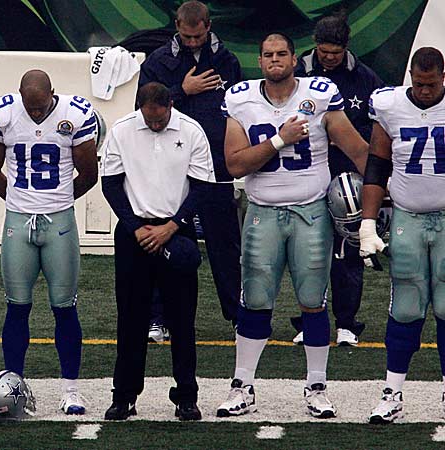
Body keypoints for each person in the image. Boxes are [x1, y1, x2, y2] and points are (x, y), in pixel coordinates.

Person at [216, 32, 368, 419]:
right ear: (260, 61)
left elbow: (358, 150)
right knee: (255, 301)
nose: (275, 60)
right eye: (268, 54)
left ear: (294, 59)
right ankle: (242, 385)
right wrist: (279, 141)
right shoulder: (240, 99)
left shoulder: (320, 96)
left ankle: (317, 387)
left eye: (281, 53)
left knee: (313, 302)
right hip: (262, 211)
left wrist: (381, 201)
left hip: (310, 212)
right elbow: (234, 164)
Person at [0, 70, 98, 415]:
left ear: (53, 93)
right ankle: (14, 386)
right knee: (17, 306)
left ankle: (71, 390)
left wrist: (57, 201)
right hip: (18, 221)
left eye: (41, 106)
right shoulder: (4, 112)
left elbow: (89, 174)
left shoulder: (75, 114)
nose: (35, 113)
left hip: (59, 221)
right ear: (19, 96)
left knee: (64, 307)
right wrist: (19, 201)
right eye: (29, 107)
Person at [101, 82, 214, 421]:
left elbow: (202, 186)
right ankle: (124, 396)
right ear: (140, 108)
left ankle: (186, 396)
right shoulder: (122, 130)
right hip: (134, 234)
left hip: (176, 232)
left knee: (182, 320)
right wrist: (135, 227)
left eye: (160, 119)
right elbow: (110, 183)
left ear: (170, 107)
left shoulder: (191, 131)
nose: (154, 124)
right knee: (130, 319)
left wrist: (173, 226)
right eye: (149, 119)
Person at [138, 0, 242, 335]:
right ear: (177, 27)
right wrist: (181, 91)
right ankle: (158, 317)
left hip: (215, 166)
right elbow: (143, 106)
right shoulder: (158, 61)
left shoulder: (227, 60)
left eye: (198, 36)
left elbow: (239, 110)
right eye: (187, 36)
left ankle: (238, 316)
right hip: (169, 166)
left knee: (225, 245)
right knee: (163, 242)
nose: (193, 41)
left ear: (208, 26)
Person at [362, 47, 445, 424]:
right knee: (406, 307)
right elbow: (377, 165)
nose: (424, 91)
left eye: (431, 85)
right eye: (419, 83)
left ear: (443, 77)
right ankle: (392, 392)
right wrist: (367, 223)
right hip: (407, 217)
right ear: (410, 75)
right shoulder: (389, 105)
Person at [290, 14, 385, 346]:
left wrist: (349, 138)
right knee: (309, 250)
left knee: (348, 250)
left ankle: (346, 323)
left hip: (349, 174)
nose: (329, 57)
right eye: (324, 51)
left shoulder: (365, 77)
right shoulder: (297, 72)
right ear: (314, 44)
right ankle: (309, 319)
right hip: (306, 172)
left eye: (335, 52)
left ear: (346, 47)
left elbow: (380, 126)